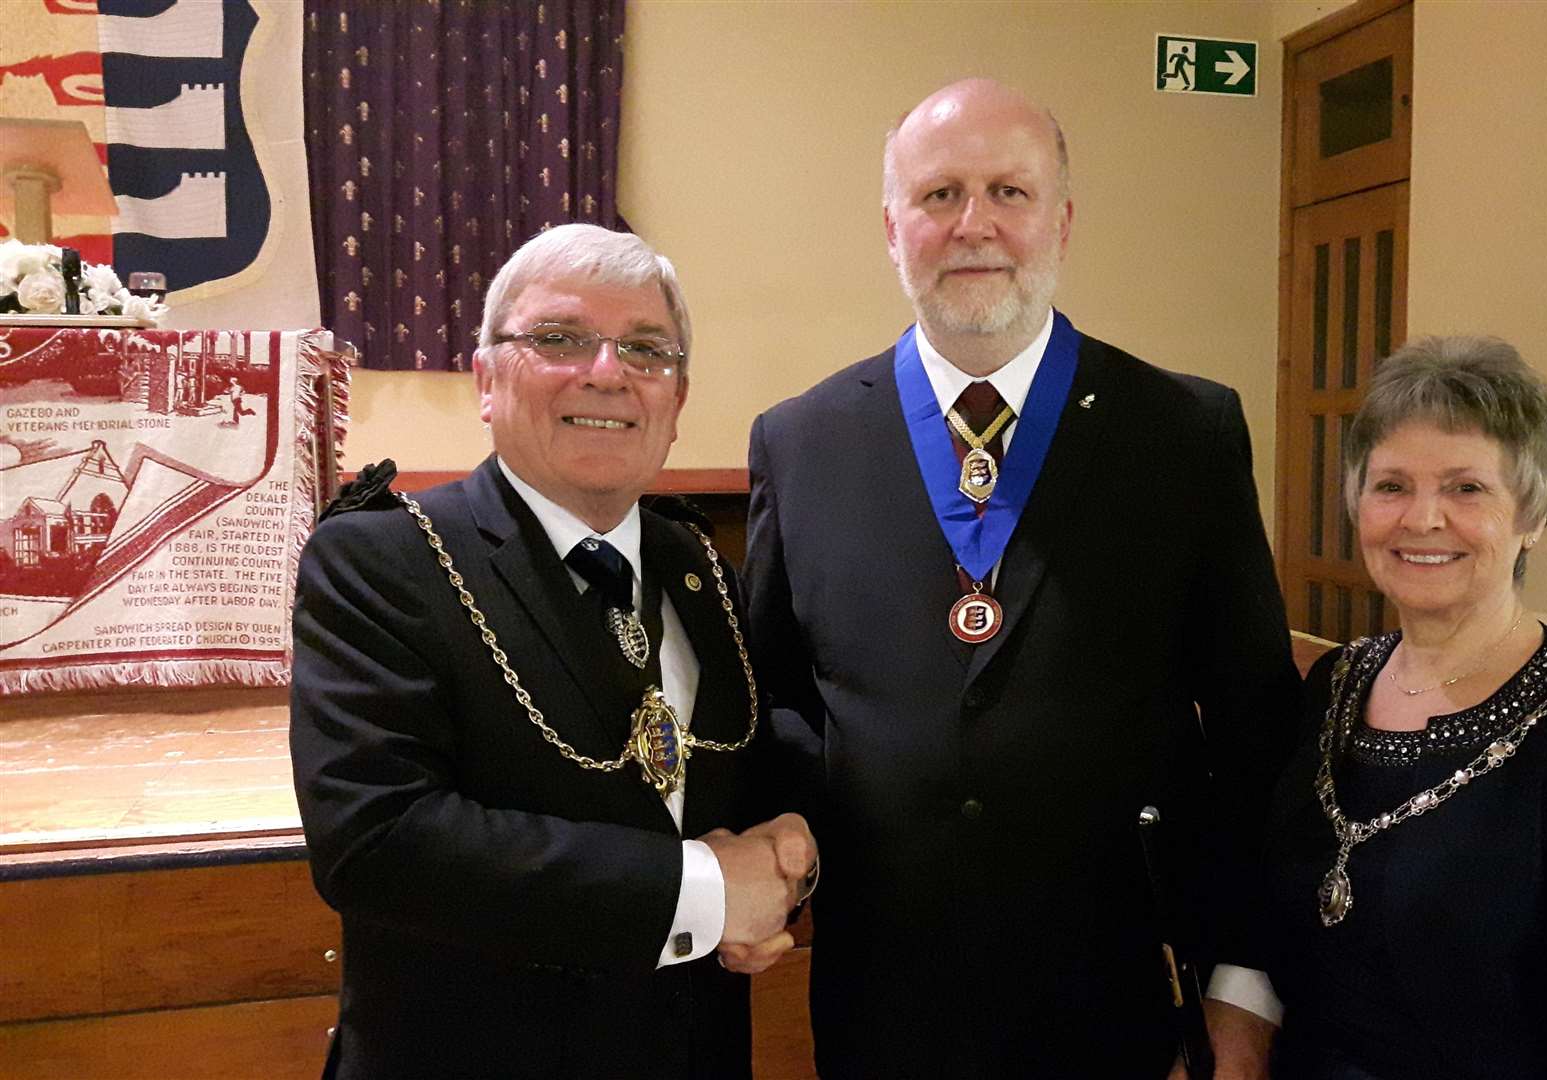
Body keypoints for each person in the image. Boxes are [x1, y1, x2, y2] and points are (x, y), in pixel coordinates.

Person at [745, 78, 1300, 1078]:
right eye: (939, 195)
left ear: (1063, 221)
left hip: (1126, 991)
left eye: (1010, 191)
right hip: (885, 1001)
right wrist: (778, 853)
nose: (975, 225)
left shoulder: (1184, 434)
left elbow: (1258, 731)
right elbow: (779, 702)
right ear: (891, 226)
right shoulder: (800, 443)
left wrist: (1246, 982)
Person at [290, 223, 815, 1080]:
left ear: (677, 402)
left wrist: (798, 847)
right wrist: (707, 895)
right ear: (487, 380)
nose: (606, 372)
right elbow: (377, 840)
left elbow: (753, 761)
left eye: (647, 350)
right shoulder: (384, 561)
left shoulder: (701, 570)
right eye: (560, 339)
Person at [1254, 337, 1547, 1078]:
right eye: (1391, 485)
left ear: (1531, 515)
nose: (1422, 519)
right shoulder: (1334, 685)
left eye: (1467, 488)